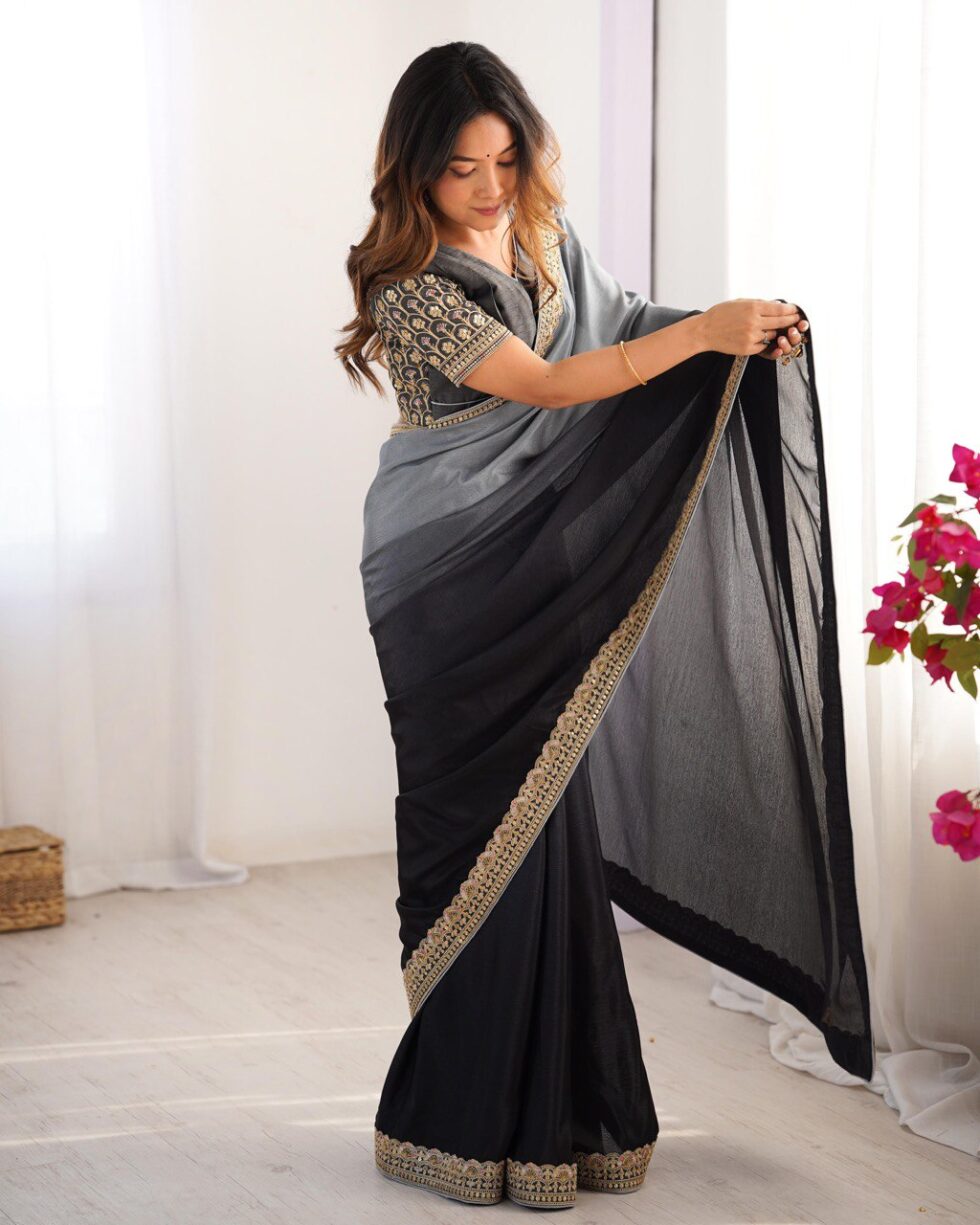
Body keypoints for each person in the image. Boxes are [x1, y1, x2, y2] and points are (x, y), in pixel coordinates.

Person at [336, 41, 874, 1212]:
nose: (490, 187)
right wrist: (701, 332)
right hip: (444, 582)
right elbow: (544, 383)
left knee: (547, 826)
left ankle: (561, 1122)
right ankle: (460, 1115)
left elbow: (622, 325)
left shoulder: (542, 240)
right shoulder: (408, 287)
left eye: (505, 159)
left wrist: (736, 334)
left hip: (539, 565)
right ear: (414, 172)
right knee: (479, 831)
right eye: (461, 169)